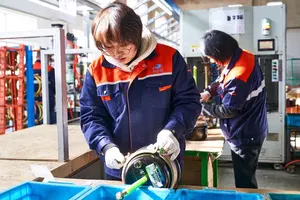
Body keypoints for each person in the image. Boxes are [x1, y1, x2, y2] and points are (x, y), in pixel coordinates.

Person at [80, 2, 201, 181]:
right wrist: (105, 146)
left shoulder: (170, 58)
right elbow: (91, 116)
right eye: (108, 47)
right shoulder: (96, 70)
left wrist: (173, 131)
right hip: (121, 168)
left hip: (164, 163)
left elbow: (189, 102)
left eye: (123, 46)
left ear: (136, 36)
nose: (116, 53)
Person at [200, 30, 268, 189]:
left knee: (244, 182)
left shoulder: (240, 74)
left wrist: (201, 109)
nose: (210, 60)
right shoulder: (241, 56)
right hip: (249, 127)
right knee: (245, 176)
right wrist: (209, 92)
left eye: (210, 56)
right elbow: (223, 78)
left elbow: (229, 110)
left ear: (218, 54)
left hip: (246, 135)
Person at [32, 51, 56, 124]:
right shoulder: (49, 69)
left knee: (35, 118)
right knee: (49, 121)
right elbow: (55, 86)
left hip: (33, 100)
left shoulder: (28, 69)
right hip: (48, 99)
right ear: (46, 57)